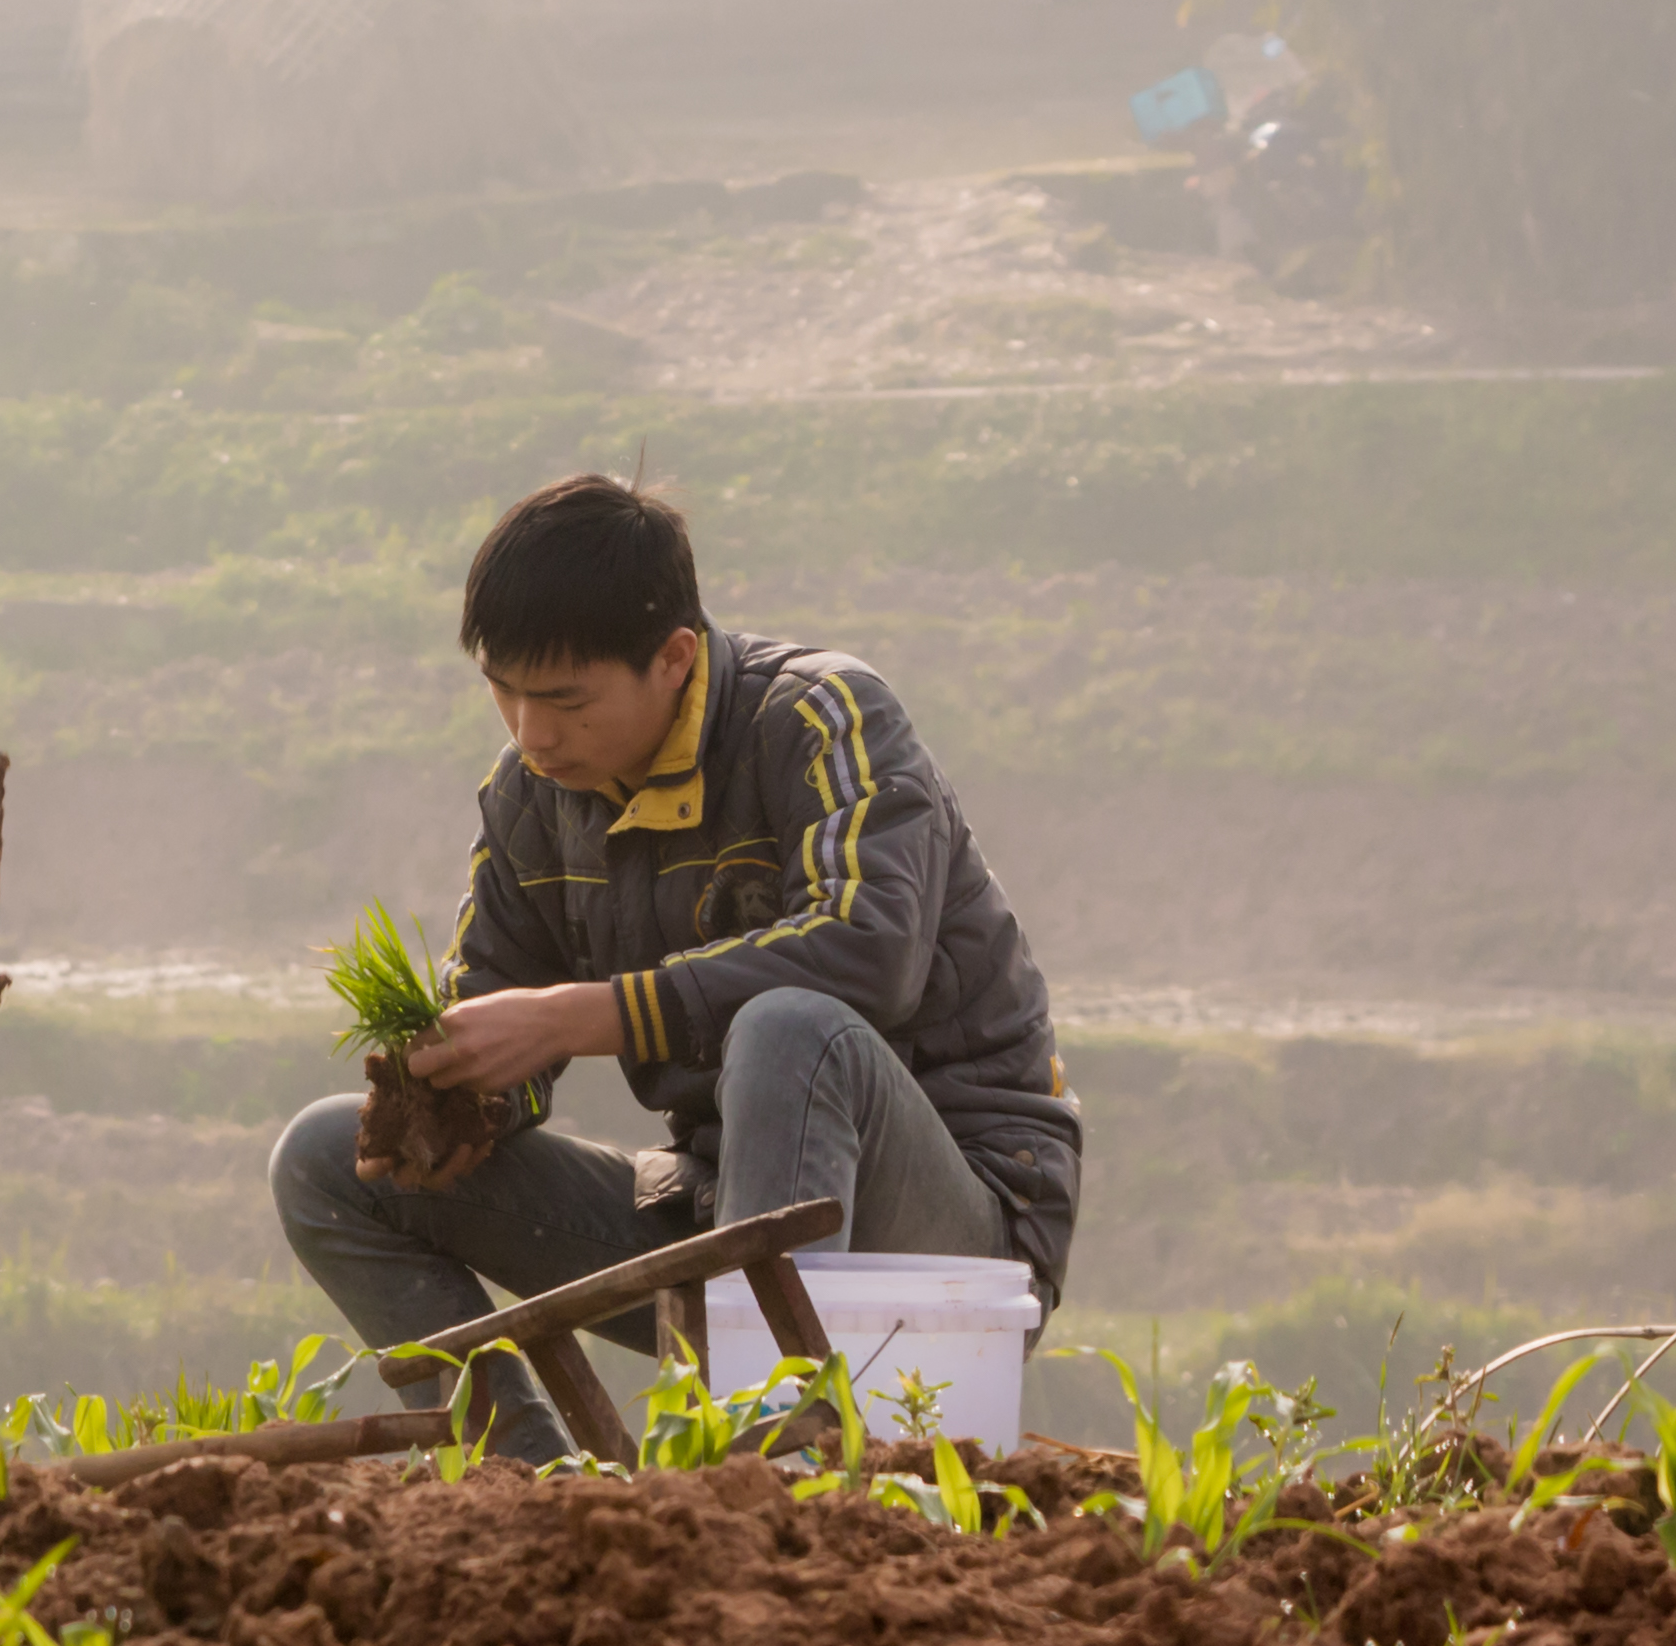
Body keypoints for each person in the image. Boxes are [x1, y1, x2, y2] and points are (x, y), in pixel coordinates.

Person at [271, 473, 1081, 1458]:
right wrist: (451, 1107)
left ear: (674, 659)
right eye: (505, 691)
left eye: (566, 700)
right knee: (320, 1162)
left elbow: (870, 955)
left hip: (951, 1232)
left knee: (792, 1028)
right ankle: (532, 1488)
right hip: (721, 1206)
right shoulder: (535, 798)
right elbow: (496, 1004)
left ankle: (758, 1463)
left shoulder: (819, 718)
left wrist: (582, 1017)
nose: (532, 733)